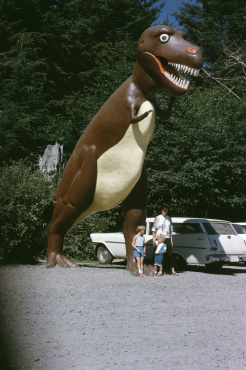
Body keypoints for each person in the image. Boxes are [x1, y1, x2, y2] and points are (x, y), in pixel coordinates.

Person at [152, 203, 179, 276]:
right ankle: (156, 270)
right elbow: (154, 230)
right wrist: (154, 240)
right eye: (164, 210)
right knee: (157, 254)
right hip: (159, 238)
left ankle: (173, 270)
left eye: (166, 210)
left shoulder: (169, 218)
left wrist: (171, 241)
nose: (165, 211)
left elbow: (170, 231)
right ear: (161, 210)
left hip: (167, 238)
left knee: (169, 254)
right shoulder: (157, 218)